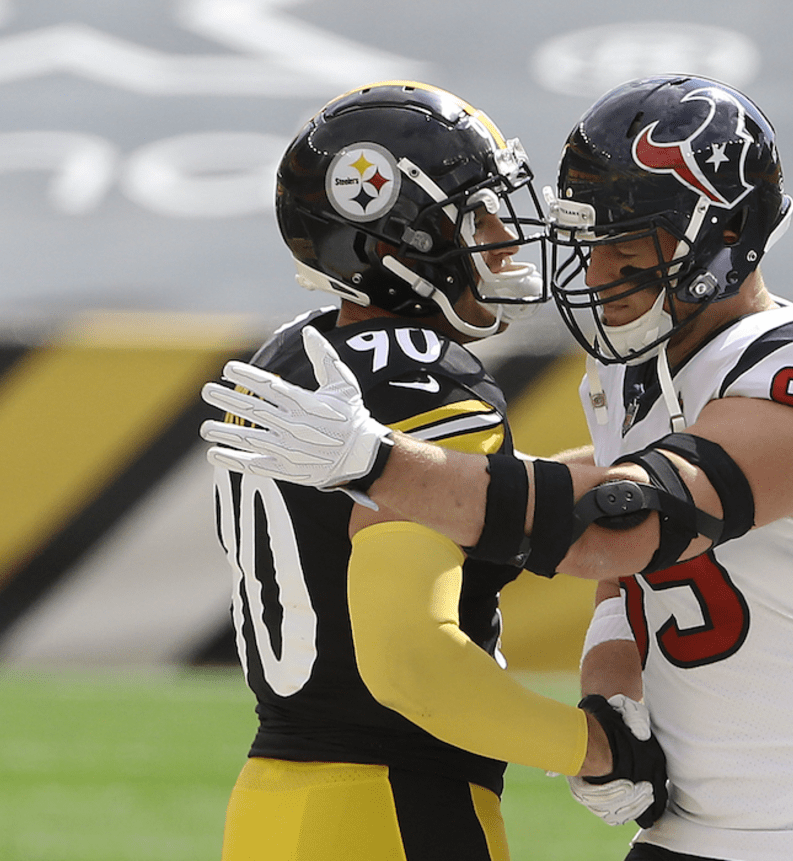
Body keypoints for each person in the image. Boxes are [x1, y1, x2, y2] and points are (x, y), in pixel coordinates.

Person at [201, 74, 793, 861]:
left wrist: (378, 463)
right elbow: (624, 586)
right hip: (688, 833)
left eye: (627, 241)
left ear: (720, 234)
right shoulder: (630, 371)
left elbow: (629, 526)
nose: (597, 267)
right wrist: (610, 696)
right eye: (586, 238)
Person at [201, 80, 666, 861]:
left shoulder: (296, 351)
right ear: (403, 239)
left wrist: (656, 468)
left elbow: (454, 503)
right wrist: (596, 747)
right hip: (391, 809)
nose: (505, 240)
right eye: (479, 215)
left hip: (278, 807)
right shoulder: (417, 372)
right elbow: (411, 661)